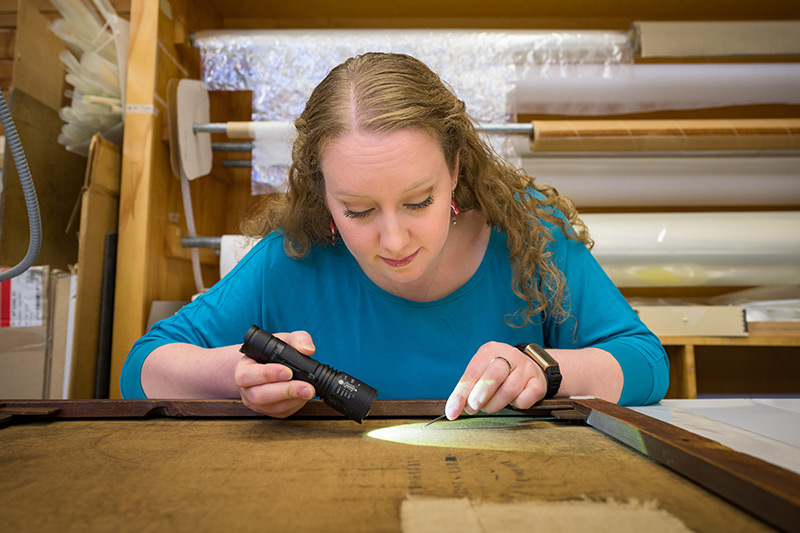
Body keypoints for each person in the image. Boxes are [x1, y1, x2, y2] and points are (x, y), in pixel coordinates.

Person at [120, 52, 669, 419]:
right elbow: (139, 370)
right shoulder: (290, 260)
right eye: (357, 210)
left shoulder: (530, 239)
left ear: (454, 168)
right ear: (323, 195)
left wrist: (546, 369)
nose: (395, 240)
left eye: (418, 201)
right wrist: (232, 374)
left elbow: (646, 363)